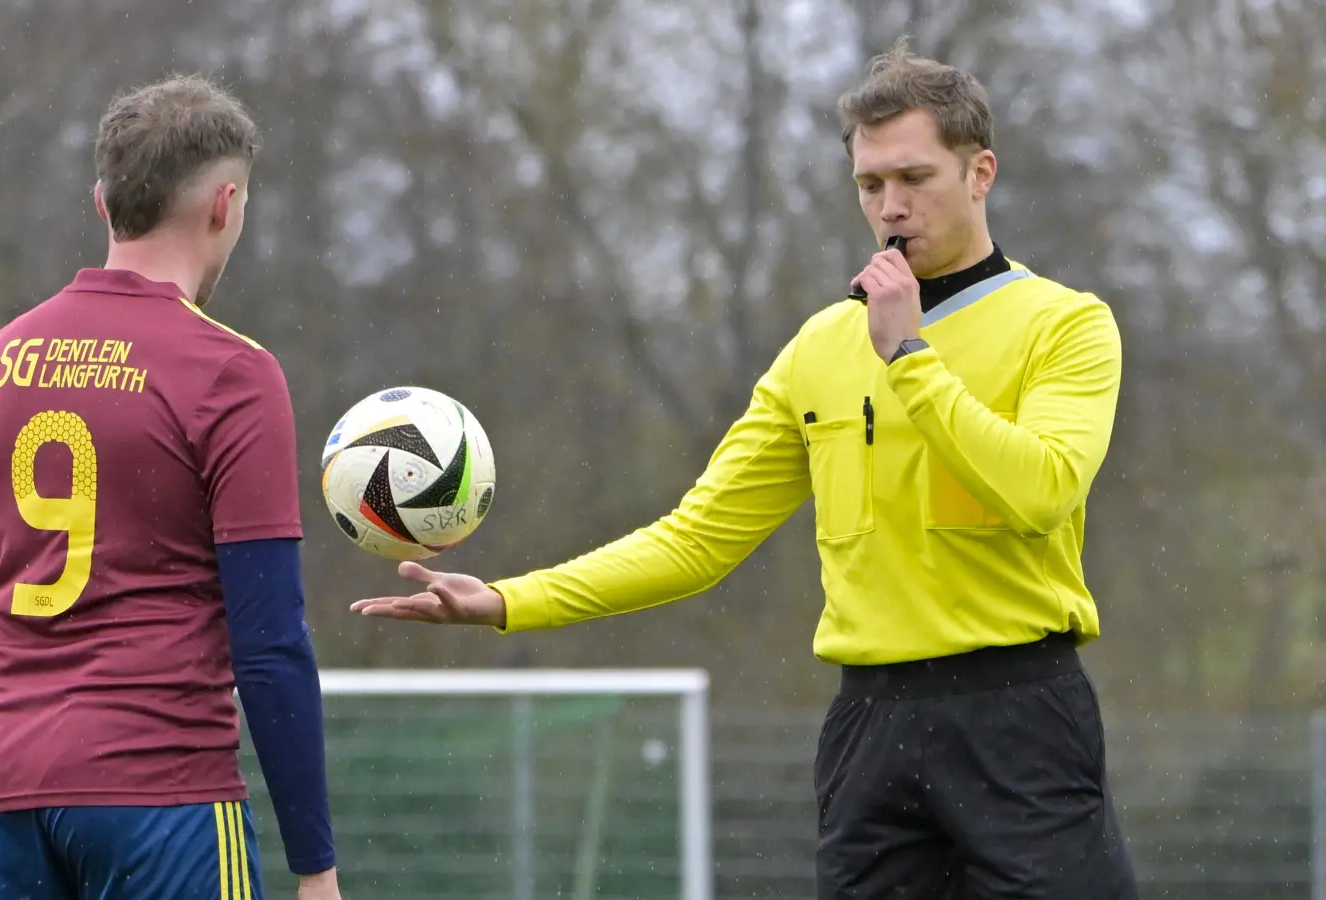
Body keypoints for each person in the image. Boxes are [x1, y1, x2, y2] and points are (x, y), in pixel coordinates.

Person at [351, 39, 1137, 900]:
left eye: (915, 178)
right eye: (871, 184)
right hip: (871, 730)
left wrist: (911, 356)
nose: (891, 206)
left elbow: (1040, 491)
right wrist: (509, 601)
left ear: (980, 172)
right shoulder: (820, 348)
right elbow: (696, 541)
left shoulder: (1066, 326)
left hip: (1019, 716)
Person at [0, 73, 342, 900]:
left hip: (10, 793)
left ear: (102, 201)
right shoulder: (231, 373)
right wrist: (315, 864)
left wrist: (1, 784)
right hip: (161, 791)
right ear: (224, 205)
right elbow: (269, 645)